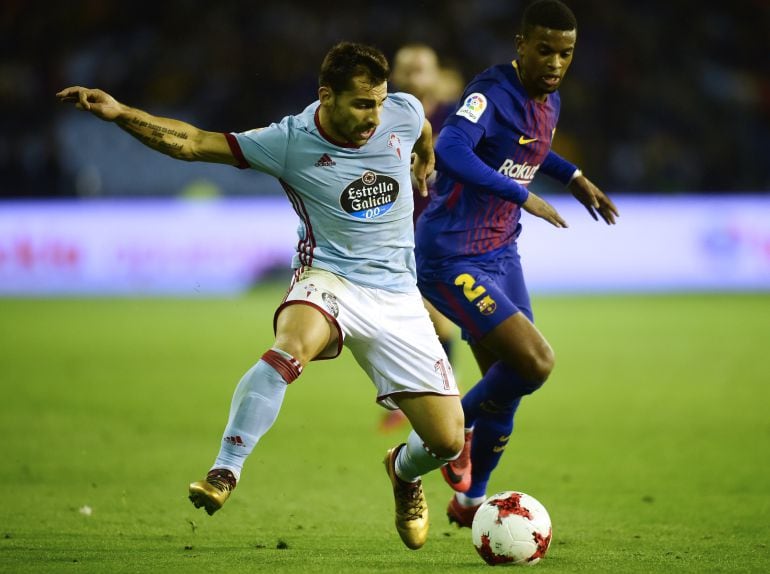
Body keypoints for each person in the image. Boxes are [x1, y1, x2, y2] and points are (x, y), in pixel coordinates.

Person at [56, 41, 465, 551]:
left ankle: (402, 473)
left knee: (447, 441)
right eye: (362, 104)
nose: (373, 116)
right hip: (329, 278)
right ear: (327, 96)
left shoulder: (400, 112)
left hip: (400, 295)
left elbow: (419, 124)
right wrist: (120, 114)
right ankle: (225, 470)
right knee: (292, 346)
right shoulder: (288, 141)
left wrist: (423, 158)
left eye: (379, 101)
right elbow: (193, 142)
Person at [413, 0, 619, 527]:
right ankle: (451, 432)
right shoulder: (490, 93)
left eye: (565, 53)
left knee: (510, 382)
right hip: (451, 254)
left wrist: (572, 176)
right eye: (544, 49)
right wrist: (521, 195)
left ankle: (470, 500)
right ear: (520, 45)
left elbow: (531, 148)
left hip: (501, 251)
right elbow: (454, 149)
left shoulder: (548, 101)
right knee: (535, 362)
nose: (554, 62)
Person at [379, 43, 463, 433]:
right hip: (391, 233)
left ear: (435, 74)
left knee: (436, 320)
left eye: (421, 69)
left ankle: (442, 401)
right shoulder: (379, 117)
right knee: (406, 321)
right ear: (394, 76)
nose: (414, 77)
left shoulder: (456, 118)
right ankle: (436, 399)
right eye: (407, 70)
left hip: (443, 231)